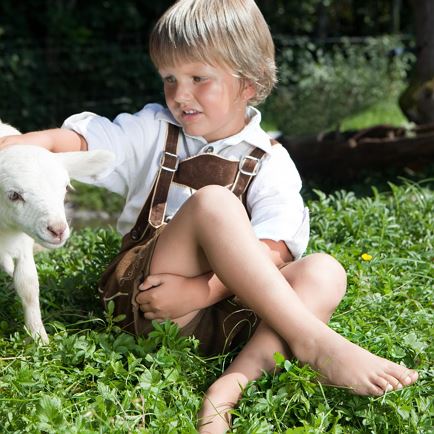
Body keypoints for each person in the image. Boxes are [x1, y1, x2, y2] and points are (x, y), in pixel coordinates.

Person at [0, 0, 418, 432]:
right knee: (215, 202)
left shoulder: (270, 160)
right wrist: (17, 147)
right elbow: (76, 140)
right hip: (149, 297)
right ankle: (313, 342)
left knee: (325, 271)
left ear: (249, 85)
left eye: (199, 78)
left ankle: (230, 385)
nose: (180, 95)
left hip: (225, 310)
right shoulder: (152, 130)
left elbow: (276, 245)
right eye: (169, 79)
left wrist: (203, 292)